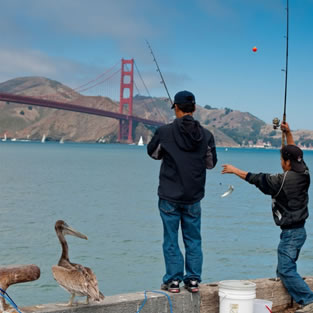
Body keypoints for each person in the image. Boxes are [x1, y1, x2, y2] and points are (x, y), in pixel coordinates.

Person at [221, 122, 313, 313]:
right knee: (283, 270)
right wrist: (288, 134)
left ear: (286, 162)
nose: (281, 161)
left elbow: (255, 178)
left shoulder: (280, 182)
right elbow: (293, 151)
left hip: (291, 234)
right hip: (299, 231)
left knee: (286, 270)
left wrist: (234, 170)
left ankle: (309, 302)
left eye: (282, 158)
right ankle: (299, 301)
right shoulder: (304, 172)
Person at [147, 90, 217, 293]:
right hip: (193, 196)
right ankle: (193, 280)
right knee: (193, 239)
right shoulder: (206, 135)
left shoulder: (164, 132)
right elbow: (210, 164)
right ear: (194, 109)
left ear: (176, 108)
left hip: (169, 195)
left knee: (170, 238)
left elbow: (153, 153)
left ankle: (173, 280)